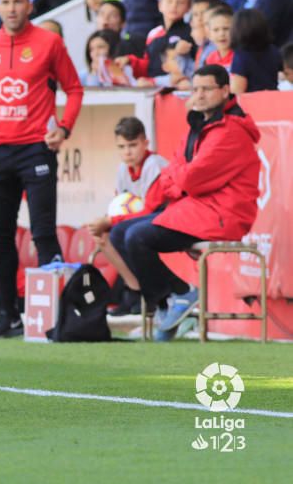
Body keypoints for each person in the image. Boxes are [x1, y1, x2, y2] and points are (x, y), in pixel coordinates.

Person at [0, 0, 84, 338]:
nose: (12, 8)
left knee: (44, 231)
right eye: (6, 2)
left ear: (30, 5)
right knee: (1, 234)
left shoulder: (50, 42)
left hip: (36, 148)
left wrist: (64, 127)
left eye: (18, 1)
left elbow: (74, 89)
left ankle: (57, 316)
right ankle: (7, 313)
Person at [109, 65, 261, 341]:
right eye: (195, 89)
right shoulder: (200, 125)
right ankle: (175, 298)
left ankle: (176, 297)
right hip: (196, 209)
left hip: (222, 215)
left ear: (225, 91)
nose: (199, 95)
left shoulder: (231, 132)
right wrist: (180, 177)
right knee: (119, 233)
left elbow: (190, 179)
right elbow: (176, 171)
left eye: (206, 89)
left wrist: (179, 178)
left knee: (136, 237)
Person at [85, 117, 169, 316]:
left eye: (133, 145)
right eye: (121, 147)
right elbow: (119, 204)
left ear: (145, 143)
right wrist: (105, 221)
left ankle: (156, 296)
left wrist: (110, 221)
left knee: (125, 233)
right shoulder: (123, 169)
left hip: (167, 220)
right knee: (102, 236)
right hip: (141, 223)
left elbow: (150, 210)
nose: (127, 152)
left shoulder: (155, 166)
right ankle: (135, 291)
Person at [229, 9, 283, 94]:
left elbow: (237, 88)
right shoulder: (274, 50)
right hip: (273, 97)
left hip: (252, 102)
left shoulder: (241, 55)